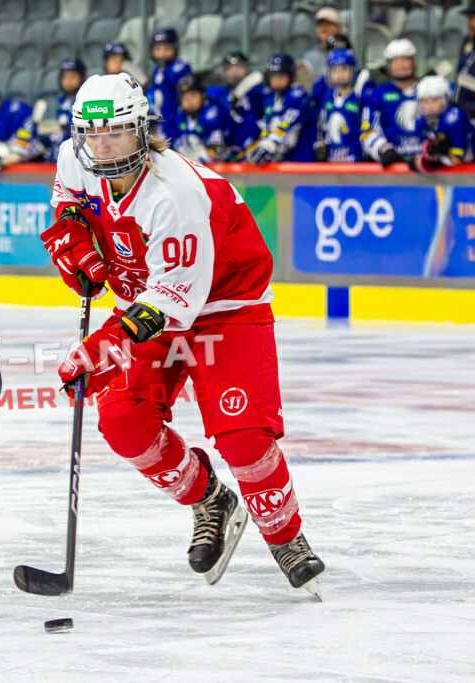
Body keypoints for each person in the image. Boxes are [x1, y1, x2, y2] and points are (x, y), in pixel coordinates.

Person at [41, 73, 324, 596]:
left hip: (225, 306)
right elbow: (68, 203)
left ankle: (286, 537)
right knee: (124, 423)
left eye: (116, 132)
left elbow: (173, 298)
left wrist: (103, 346)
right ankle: (210, 500)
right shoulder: (74, 158)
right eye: (93, 134)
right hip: (144, 302)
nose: (103, 145)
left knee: (244, 438)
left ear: (142, 129)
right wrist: (74, 239)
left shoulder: (175, 194)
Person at [409, 75, 475, 173]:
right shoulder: (421, 121)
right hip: (469, 174)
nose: (430, 106)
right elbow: (421, 154)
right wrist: (426, 155)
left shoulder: (454, 116)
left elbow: (458, 157)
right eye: (425, 101)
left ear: (446, 99)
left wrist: (429, 160)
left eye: (435, 100)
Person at [246, 54, 318, 165]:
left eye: (281, 75)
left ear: (291, 76)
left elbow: (284, 127)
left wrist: (266, 146)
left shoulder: (297, 95)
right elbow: (264, 126)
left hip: (303, 165)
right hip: (281, 165)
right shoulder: (270, 99)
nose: (277, 80)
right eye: (273, 76)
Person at [361, 38, 421, 167]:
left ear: (414, 62)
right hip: (392, 168)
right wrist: (382, 148)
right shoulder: (377, 94)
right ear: (388, 65)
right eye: (395, 61)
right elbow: (367, 130)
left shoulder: (429, 89)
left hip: (426, 166)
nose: (401, 65)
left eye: (405, 60)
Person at [208, 52, 264, 160]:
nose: (234, 71)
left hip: (255, 149)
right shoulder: (220, 97)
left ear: (246, 68)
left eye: (238, 66)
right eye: (229, 68)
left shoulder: (258, 91)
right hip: (229, 152)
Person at [315, 48, 365, 162]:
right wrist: (320, 145)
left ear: (353, 71)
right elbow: (322, 128)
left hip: (357, 164)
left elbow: (368, 129)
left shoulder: (361, 97)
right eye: (334, 70)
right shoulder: (326, 96)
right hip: (331, 163)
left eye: (344, 69)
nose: (339, 74)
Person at [169, 74, 230, 164]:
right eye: (185, 98)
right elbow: (173, 141)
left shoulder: (212, 112)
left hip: (224, 165)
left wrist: (206, 153)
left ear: (202, 95)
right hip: (194, 166)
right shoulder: (181, 116)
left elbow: (216, 148)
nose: (189, 101)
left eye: (193, 96)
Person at [147, 27, 193, 140]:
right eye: (158, 48)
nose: (162, 53)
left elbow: (185, 100)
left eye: (166, 48)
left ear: (175, 48)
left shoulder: (180, 68)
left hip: (177, 126)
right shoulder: (157, 71)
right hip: (162, 124)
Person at [39, 57, 87, 163]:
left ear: (82, 77)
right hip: (57, 152)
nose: (68, 81)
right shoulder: (61, 99)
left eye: (72, 77)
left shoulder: (84, 99)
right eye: (64, 77)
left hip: (76, 153)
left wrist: (63, 128)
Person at [302, 7, 342, 81]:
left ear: (338, 28)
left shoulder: (345, 53)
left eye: (328, 24)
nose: (324, 27)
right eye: (320, 24)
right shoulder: (309, 56)